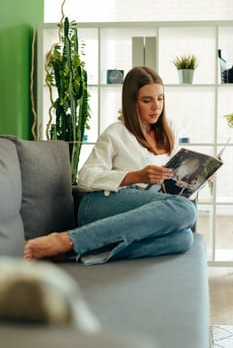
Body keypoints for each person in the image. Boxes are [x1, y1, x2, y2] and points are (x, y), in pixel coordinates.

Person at [24, 66, 196, 265]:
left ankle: (71, 252)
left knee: (183, 238)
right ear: (132, 103)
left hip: (147, 206)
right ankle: (66, 240)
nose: (156, 107)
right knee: (186, 209)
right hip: (101, 203)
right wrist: (137, 176)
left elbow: (174, 186)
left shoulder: (168, 133)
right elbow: (85, 177)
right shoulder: (116, 132)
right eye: (147, 100)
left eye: (160, 98)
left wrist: (196, 178)